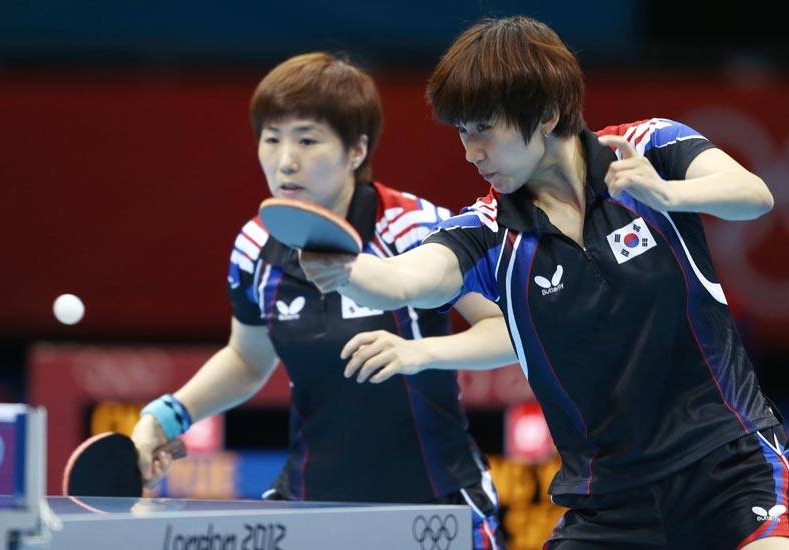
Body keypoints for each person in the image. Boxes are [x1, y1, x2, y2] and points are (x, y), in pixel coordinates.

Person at [299, 17, 787, 549]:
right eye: (462, 131)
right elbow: (405, 279)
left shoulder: (649, 148)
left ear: (548, 113)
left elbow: (751, 193)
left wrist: (670, 197)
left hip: (730, 470)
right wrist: (348, 270)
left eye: (484, 127)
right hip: (607, 504)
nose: (470, 151)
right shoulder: (487, 232)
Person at [131, 52, 508, 549]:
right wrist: (165, 416)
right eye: (271, 138)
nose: (286, 159)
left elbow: (508, 329)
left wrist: (420, 353)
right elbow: (247, 358)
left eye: (307, 140)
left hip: (435, 508)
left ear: (356, 149)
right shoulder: (255, 246)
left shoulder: (418, 229)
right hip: (310, 506)